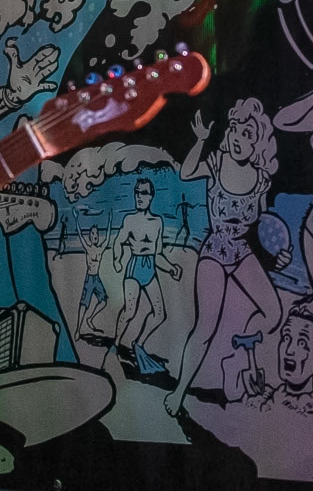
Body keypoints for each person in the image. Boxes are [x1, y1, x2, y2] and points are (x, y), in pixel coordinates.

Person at [165, 100, 288, 417]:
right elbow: (186, 172)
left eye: (248, 134)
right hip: (215, 251)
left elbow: (262, 229)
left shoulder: (261, 180)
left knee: (274, 313)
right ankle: (179, 392)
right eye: (235, 129)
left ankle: (243, 344)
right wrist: (200, 140)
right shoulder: (217, 163)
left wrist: (277, 257)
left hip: (241, 251)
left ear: (258, 143)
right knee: (205, 327)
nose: (238, 138)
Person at [110, 178, 179, 371]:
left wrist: (171, 267)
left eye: (144, 193)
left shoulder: (157, 222)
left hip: (150, 269)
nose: (139, 197)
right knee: (130, 311)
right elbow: (119, 241)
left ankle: (138, 344)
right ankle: (116, 343)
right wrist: (117, 259)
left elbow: (158, 254)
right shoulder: (130, 220)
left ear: (151, 196)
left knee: (160, 314)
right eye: (137, 192)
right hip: (134, 269)